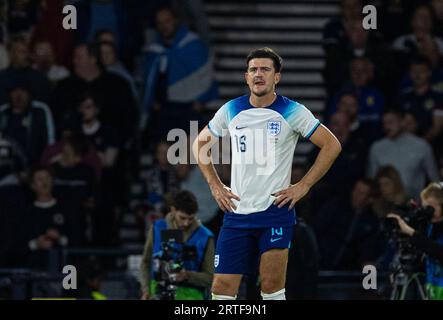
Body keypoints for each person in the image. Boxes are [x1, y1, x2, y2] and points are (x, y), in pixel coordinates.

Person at [193, 47, 341, 300]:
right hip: (236, 213)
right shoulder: (231, 109)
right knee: (222, 289)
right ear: (246, 76)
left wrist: (304, 185)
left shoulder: (292, 110)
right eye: (253, 70)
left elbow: (332, 145)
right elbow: (199, 143)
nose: (258, 74)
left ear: (277, 77)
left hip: (275, 212)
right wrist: (215, 185)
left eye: (265, 69)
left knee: (271, 288)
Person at [139, 190, 215, 300]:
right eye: (182, 218)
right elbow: (146, 262)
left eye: (190, 218)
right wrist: (146, 291)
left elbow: (212, 277)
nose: (186, 223)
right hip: (157, 294)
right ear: (173, 210)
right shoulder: (157, 228)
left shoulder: (205, 236)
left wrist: (188, 275)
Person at [387, 182, 443, 300]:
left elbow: (438, 252)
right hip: (431, 292)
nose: (428, 212)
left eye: (431, 207)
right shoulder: (428, 227)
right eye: (425, 207)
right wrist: (399, 269)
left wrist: (411, 232)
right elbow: (419, 255)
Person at [367, 109, 440, 200]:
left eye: (391, 122)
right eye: (384, 123)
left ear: (402, 122)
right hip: (385, 206)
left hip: (414, 205)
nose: (387, 126)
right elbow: (371, 181)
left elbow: (435, 180)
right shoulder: (376, 148)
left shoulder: (422, 146)